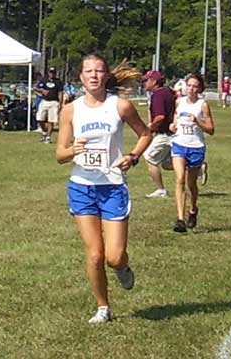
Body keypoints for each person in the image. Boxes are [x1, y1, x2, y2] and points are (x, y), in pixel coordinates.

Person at [56, 54, 152, 324]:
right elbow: (60, 154)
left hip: (112, 187)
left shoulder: (120, 106)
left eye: (99, 71)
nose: (94, 75)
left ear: (107, 75)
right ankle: (103, 307)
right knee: (95, 254)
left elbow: (145, 133)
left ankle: (122, 267)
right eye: (89, 71)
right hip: (82, 187)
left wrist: (132, 157)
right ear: (81, 77)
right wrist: (72, 150)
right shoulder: (71, 110)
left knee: (113, 255)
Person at [169, 73, 215, 233]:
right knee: (179, 179)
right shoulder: (179, 101)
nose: (192, 89)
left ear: (200, 88)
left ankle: (193, 209)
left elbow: (211, 130)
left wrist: (198, 121)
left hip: (196, 147)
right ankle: (180, 219)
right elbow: (176, 116)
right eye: (189, 85)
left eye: (195, 86)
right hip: (179, 144)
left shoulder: (203, 105)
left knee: (191, 184)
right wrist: (173, 125)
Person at [142, 70, 176, 198]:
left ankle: (161, 190)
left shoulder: (158, 95)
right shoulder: (167, 92)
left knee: (149, 157)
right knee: (167, 163)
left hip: (165, 134)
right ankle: (197, 168)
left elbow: (160, 116)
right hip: (173, 133)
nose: (144, 83)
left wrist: (150, 127)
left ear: (154, 82)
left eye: (146, 80)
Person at [34, 67, 63, 143]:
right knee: (40, 118)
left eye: (53, 72)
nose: (52, 74)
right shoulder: (44, 80)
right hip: (45, 101)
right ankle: (44, 132)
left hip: (54, 102)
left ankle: (48, 136)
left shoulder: (58, 82)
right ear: (48, 73)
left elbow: (60, 93)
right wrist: (42, 90)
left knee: (51, 120)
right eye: (50, 72)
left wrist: (60, 103)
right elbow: (35, 88)